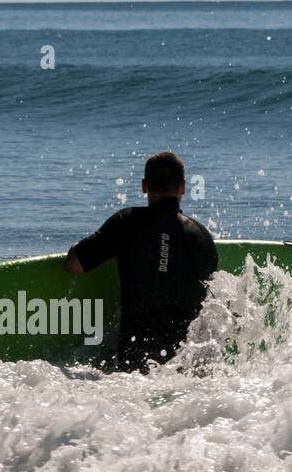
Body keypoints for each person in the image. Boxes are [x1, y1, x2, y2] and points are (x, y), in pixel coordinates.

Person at [65, 152, 218, 372]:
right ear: (183, 187)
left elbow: (74, 265)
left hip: (133, 367)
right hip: (185, 368)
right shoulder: (200, 235)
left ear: (144, 185)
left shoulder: (127, 222)